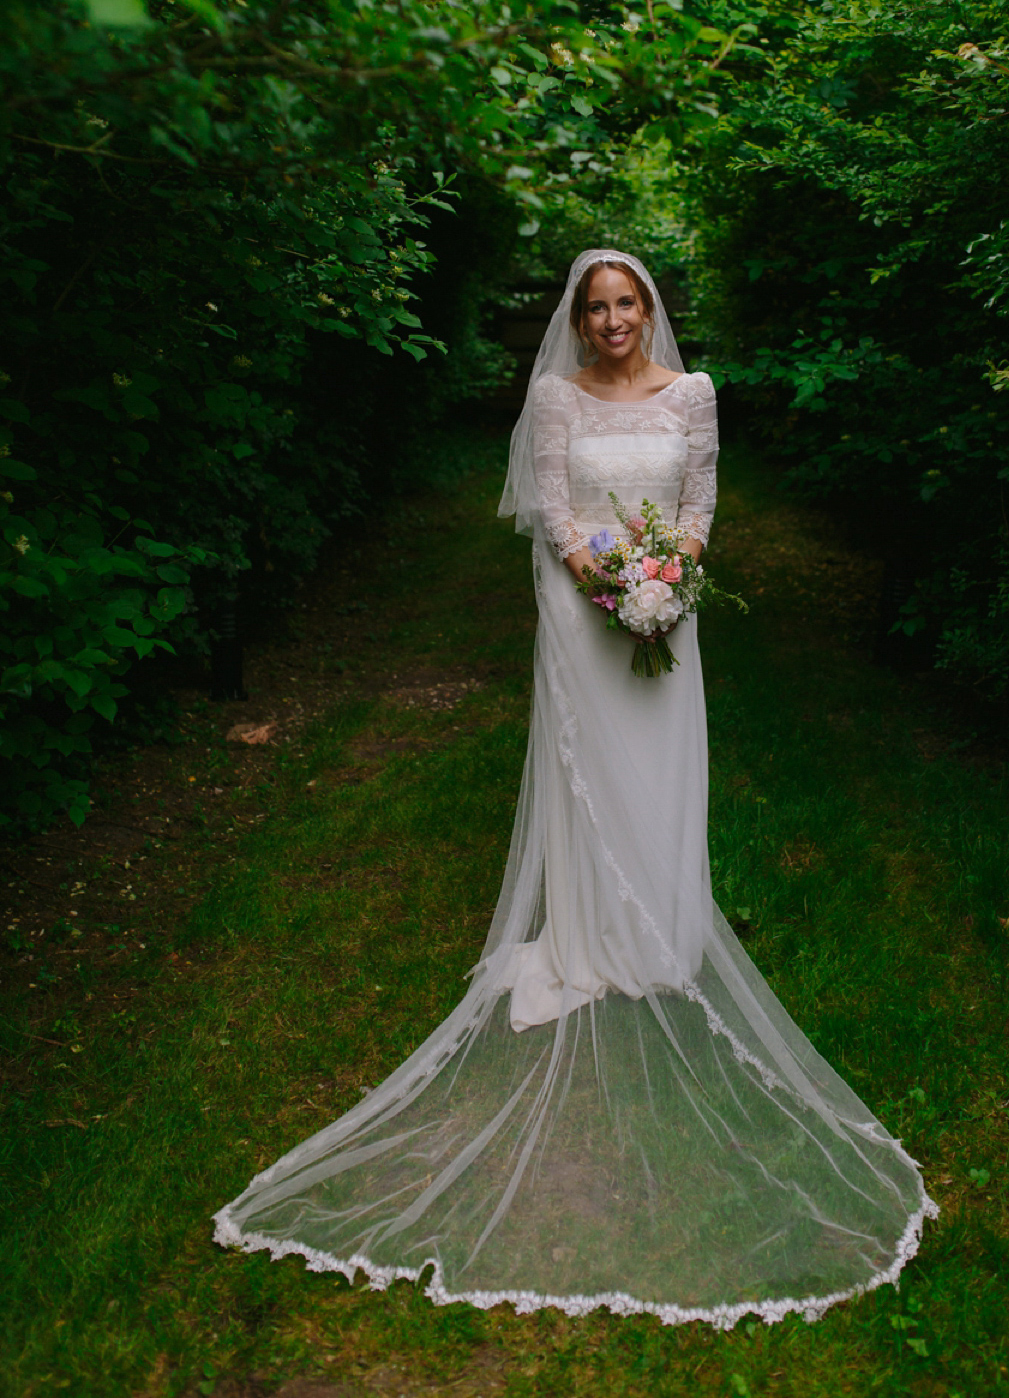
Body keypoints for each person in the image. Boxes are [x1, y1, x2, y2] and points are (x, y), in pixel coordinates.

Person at [214, 248, 936, 1328]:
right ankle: (593, 936)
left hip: (667, 614)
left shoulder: (693, 395)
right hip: (579, 608)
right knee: (590, 768)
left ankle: (662, 929)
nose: (609, 321)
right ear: (579, 317)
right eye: (594, 307)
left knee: (660, 762)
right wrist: (606, 584)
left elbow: (700, 507)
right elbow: (553, 515)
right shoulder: (552, 400)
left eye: (625, 304)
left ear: (648, 311)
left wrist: (670, 583)